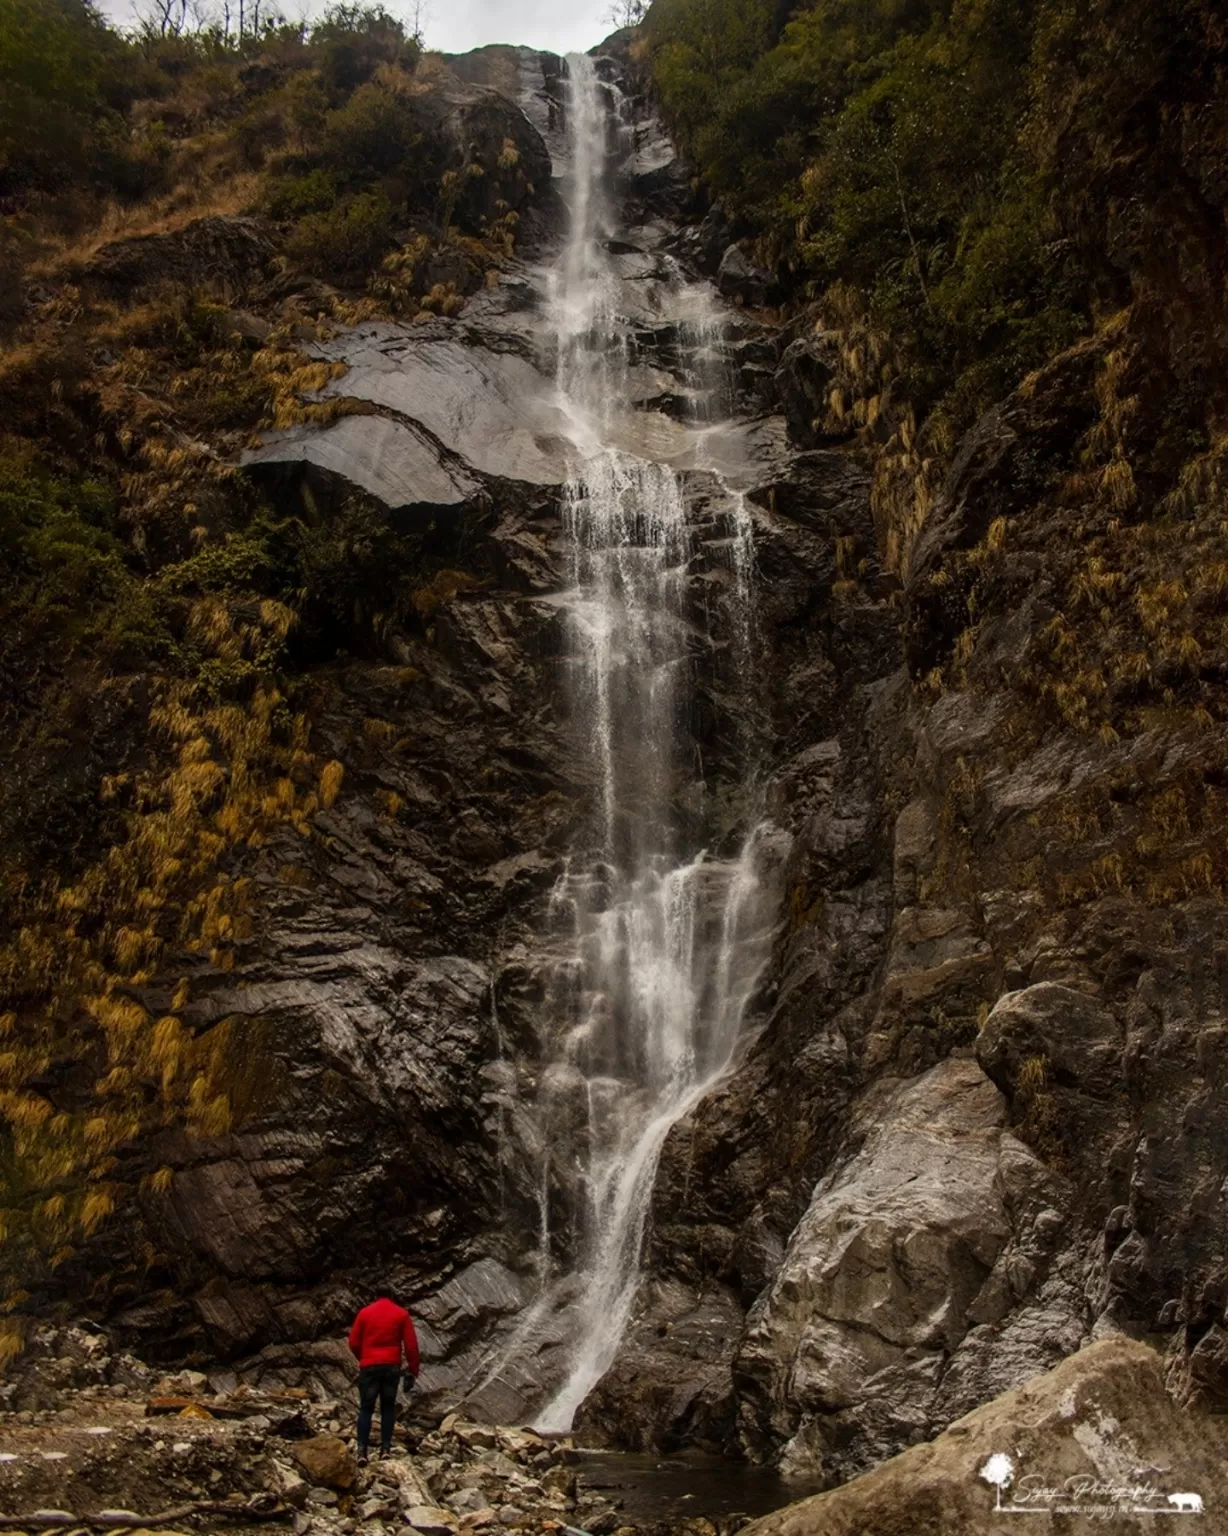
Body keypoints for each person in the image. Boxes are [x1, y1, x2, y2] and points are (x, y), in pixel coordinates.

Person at [347, 1286, 420, 1464]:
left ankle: (362, 1451)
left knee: (366, 1408)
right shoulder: (401, 1314)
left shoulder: (364, 1313)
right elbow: (411, 1347)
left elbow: (353, 1342)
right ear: (392, 1296)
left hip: (369, 1367)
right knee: (388, 1407)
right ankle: (385, 1449)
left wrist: (363, 1358)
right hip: (390, 1368)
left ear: (375, 1295)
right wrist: (413, 1371)